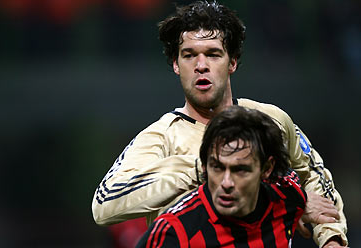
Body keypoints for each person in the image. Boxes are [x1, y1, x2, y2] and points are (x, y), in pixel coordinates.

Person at [92, 1, 348, 247]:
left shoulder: (271, 120)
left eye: (213, 54)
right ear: (175, 65)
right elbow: (104, 205)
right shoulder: (160, 137)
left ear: (233, 62)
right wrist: (201, 168)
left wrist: (331, 238)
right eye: (189, 55)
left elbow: (313, 173)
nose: (201, 65)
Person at [137, 105, 307, 247]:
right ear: (204, 166)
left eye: (240, 170)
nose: (226, 183)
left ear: (267, 168)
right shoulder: (175, 232)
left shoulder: (288, 196)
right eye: (217, 167)